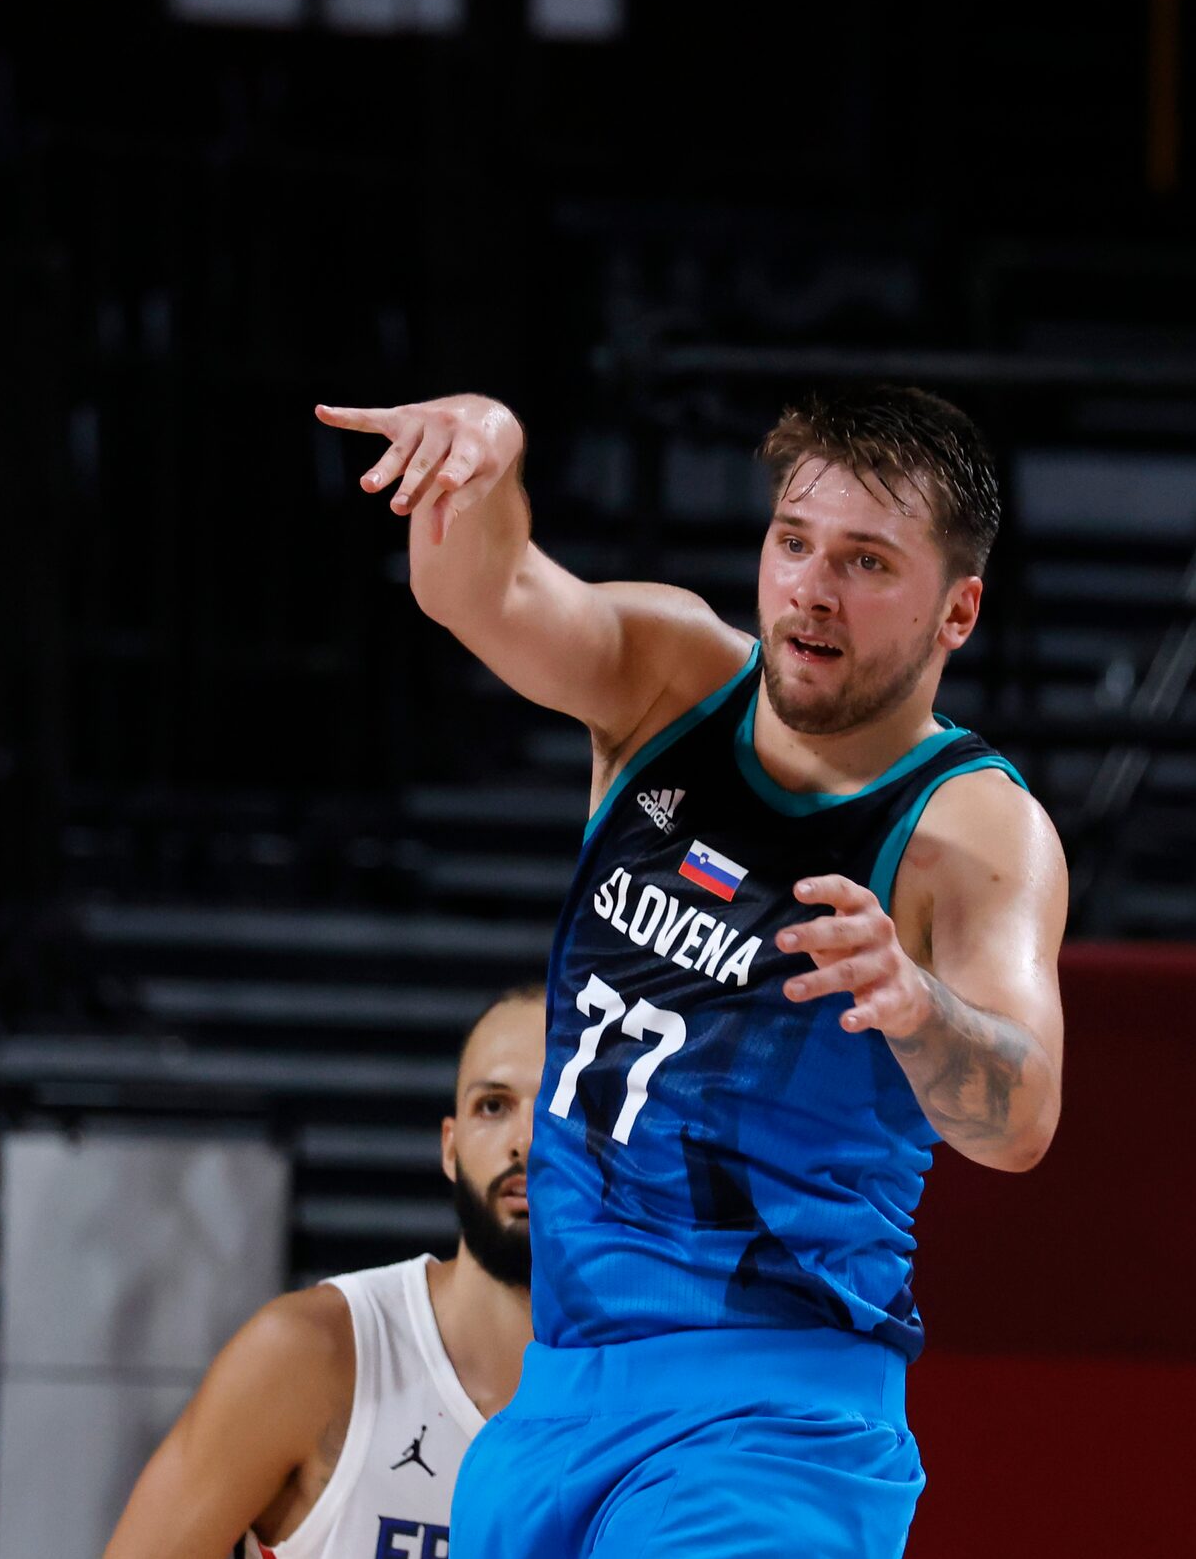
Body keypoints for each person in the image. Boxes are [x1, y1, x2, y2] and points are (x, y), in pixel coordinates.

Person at [315, 385, 1066, 1558]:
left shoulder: (973, 833)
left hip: (771, 1415)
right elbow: (479, 589)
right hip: (558, 1388)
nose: (814, 589)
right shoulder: (670, 680)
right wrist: (496, 456)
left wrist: (920, 1008)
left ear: (957, 612)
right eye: (794, 543)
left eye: (868, 562)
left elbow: (1021, 1115)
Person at [103, 988, 546, 1559]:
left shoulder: (659, 1397)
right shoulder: (314, 1354)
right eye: (493, 1106)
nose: (527, 1141)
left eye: (563, 1105)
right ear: (449, 1147)